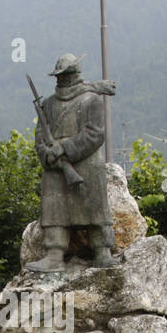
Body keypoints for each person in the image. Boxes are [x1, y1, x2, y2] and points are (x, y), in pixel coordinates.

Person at [27, 54, 118, 271]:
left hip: (86, 164)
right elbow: (41, 135)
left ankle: (102, 250)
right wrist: (47, 154)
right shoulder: (48, 104)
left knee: (95, 208)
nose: (61, 80)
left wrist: (64, 148)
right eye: (59, 76)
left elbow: (95, 135)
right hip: (57, 168)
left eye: (65, 75)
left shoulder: (91, 100)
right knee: (54, 209)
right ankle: (54, 255)